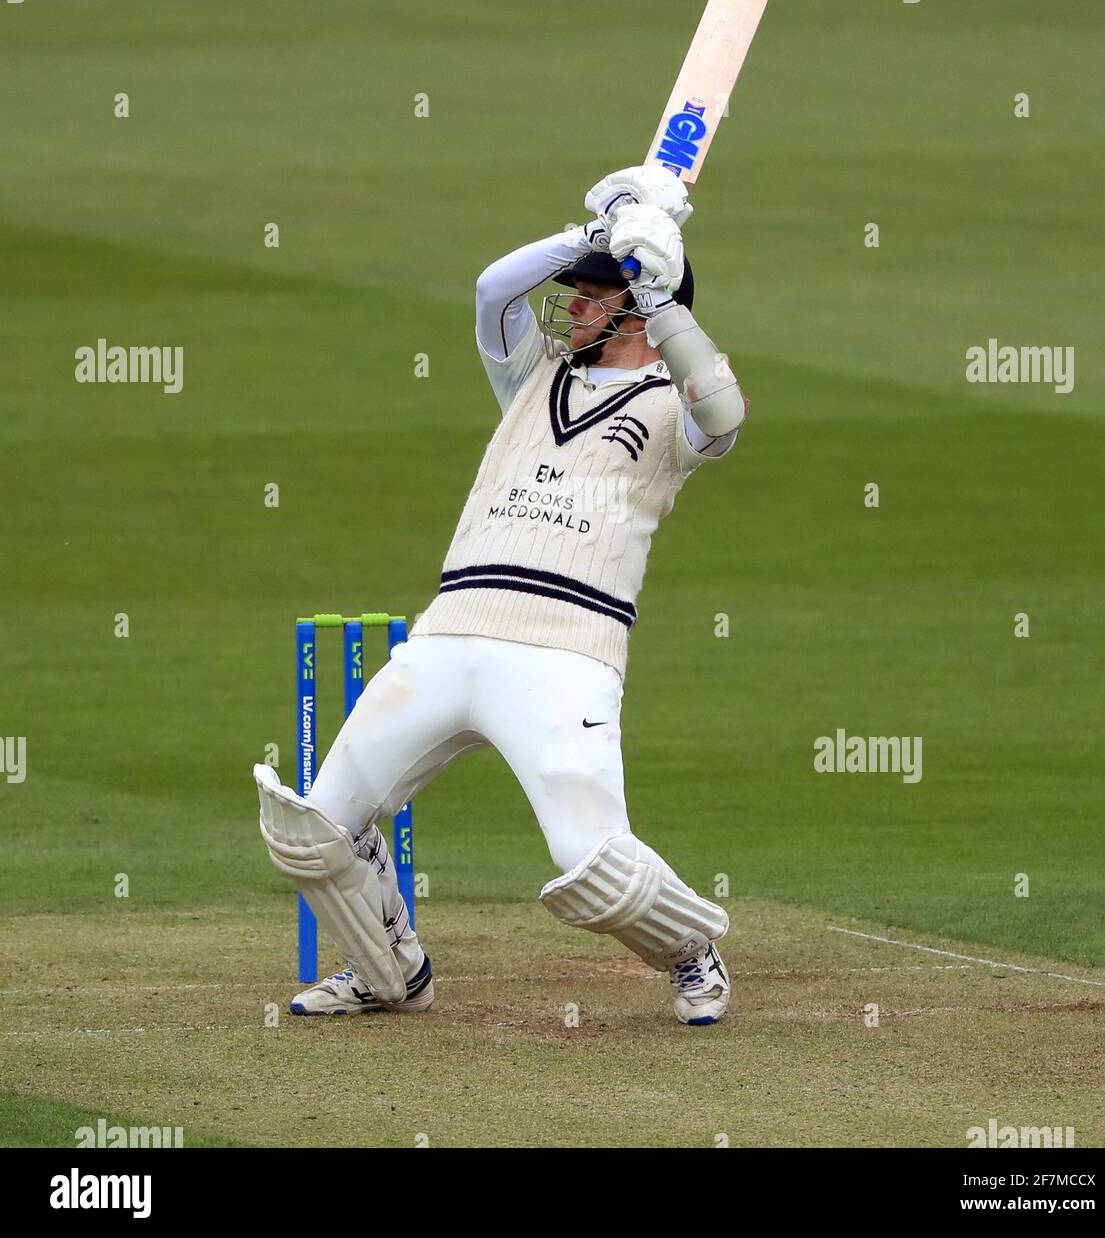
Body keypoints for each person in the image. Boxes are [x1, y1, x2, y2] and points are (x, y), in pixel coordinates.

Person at [254, 166, 748, 1025]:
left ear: (634, 310)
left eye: (594, 297)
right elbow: (493, 288)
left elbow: (727, 408)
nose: (574, 309)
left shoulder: (674, 411)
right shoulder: (532, 379)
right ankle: (388, 974)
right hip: (449, 639)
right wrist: (599, 233)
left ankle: (690, 952)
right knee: (312, 830)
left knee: (592, 864)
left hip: (565, 655)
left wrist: (665, 296)